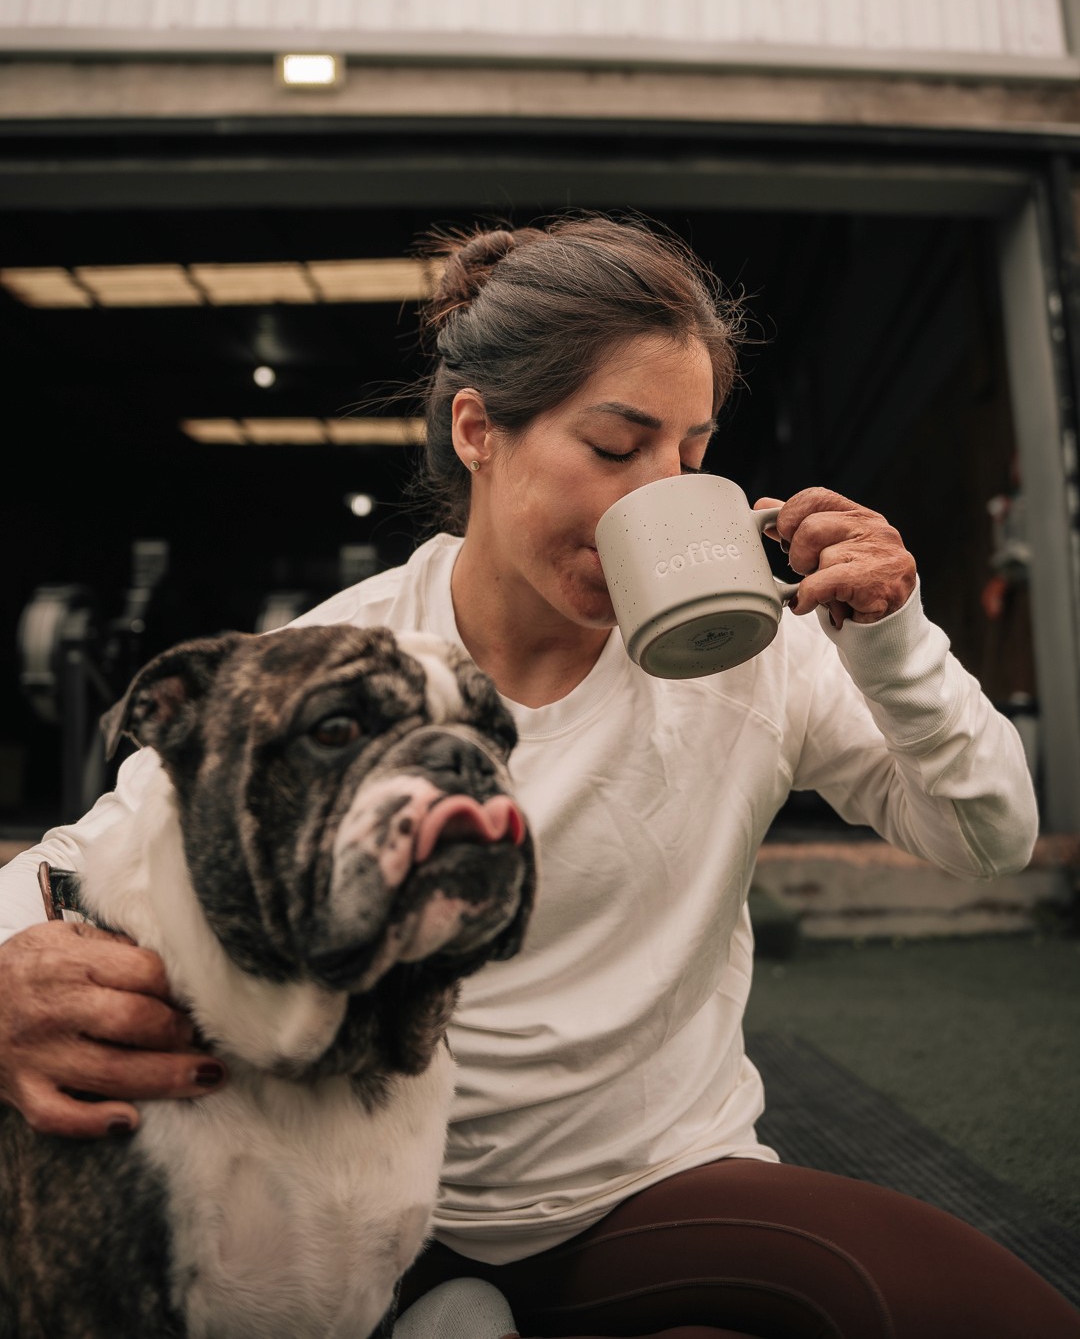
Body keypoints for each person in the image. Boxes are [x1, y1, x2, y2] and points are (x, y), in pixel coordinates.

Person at [0, 214, 1076, 1339]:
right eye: (615, 448)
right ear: (477, 430)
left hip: (651, 1184)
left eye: (690, 455)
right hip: (364, 1203)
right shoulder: (336, 667)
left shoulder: (762, 652)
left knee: (982, 1311)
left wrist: (893, 638)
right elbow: (74, 857)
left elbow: (991, 833)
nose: (655, 493)